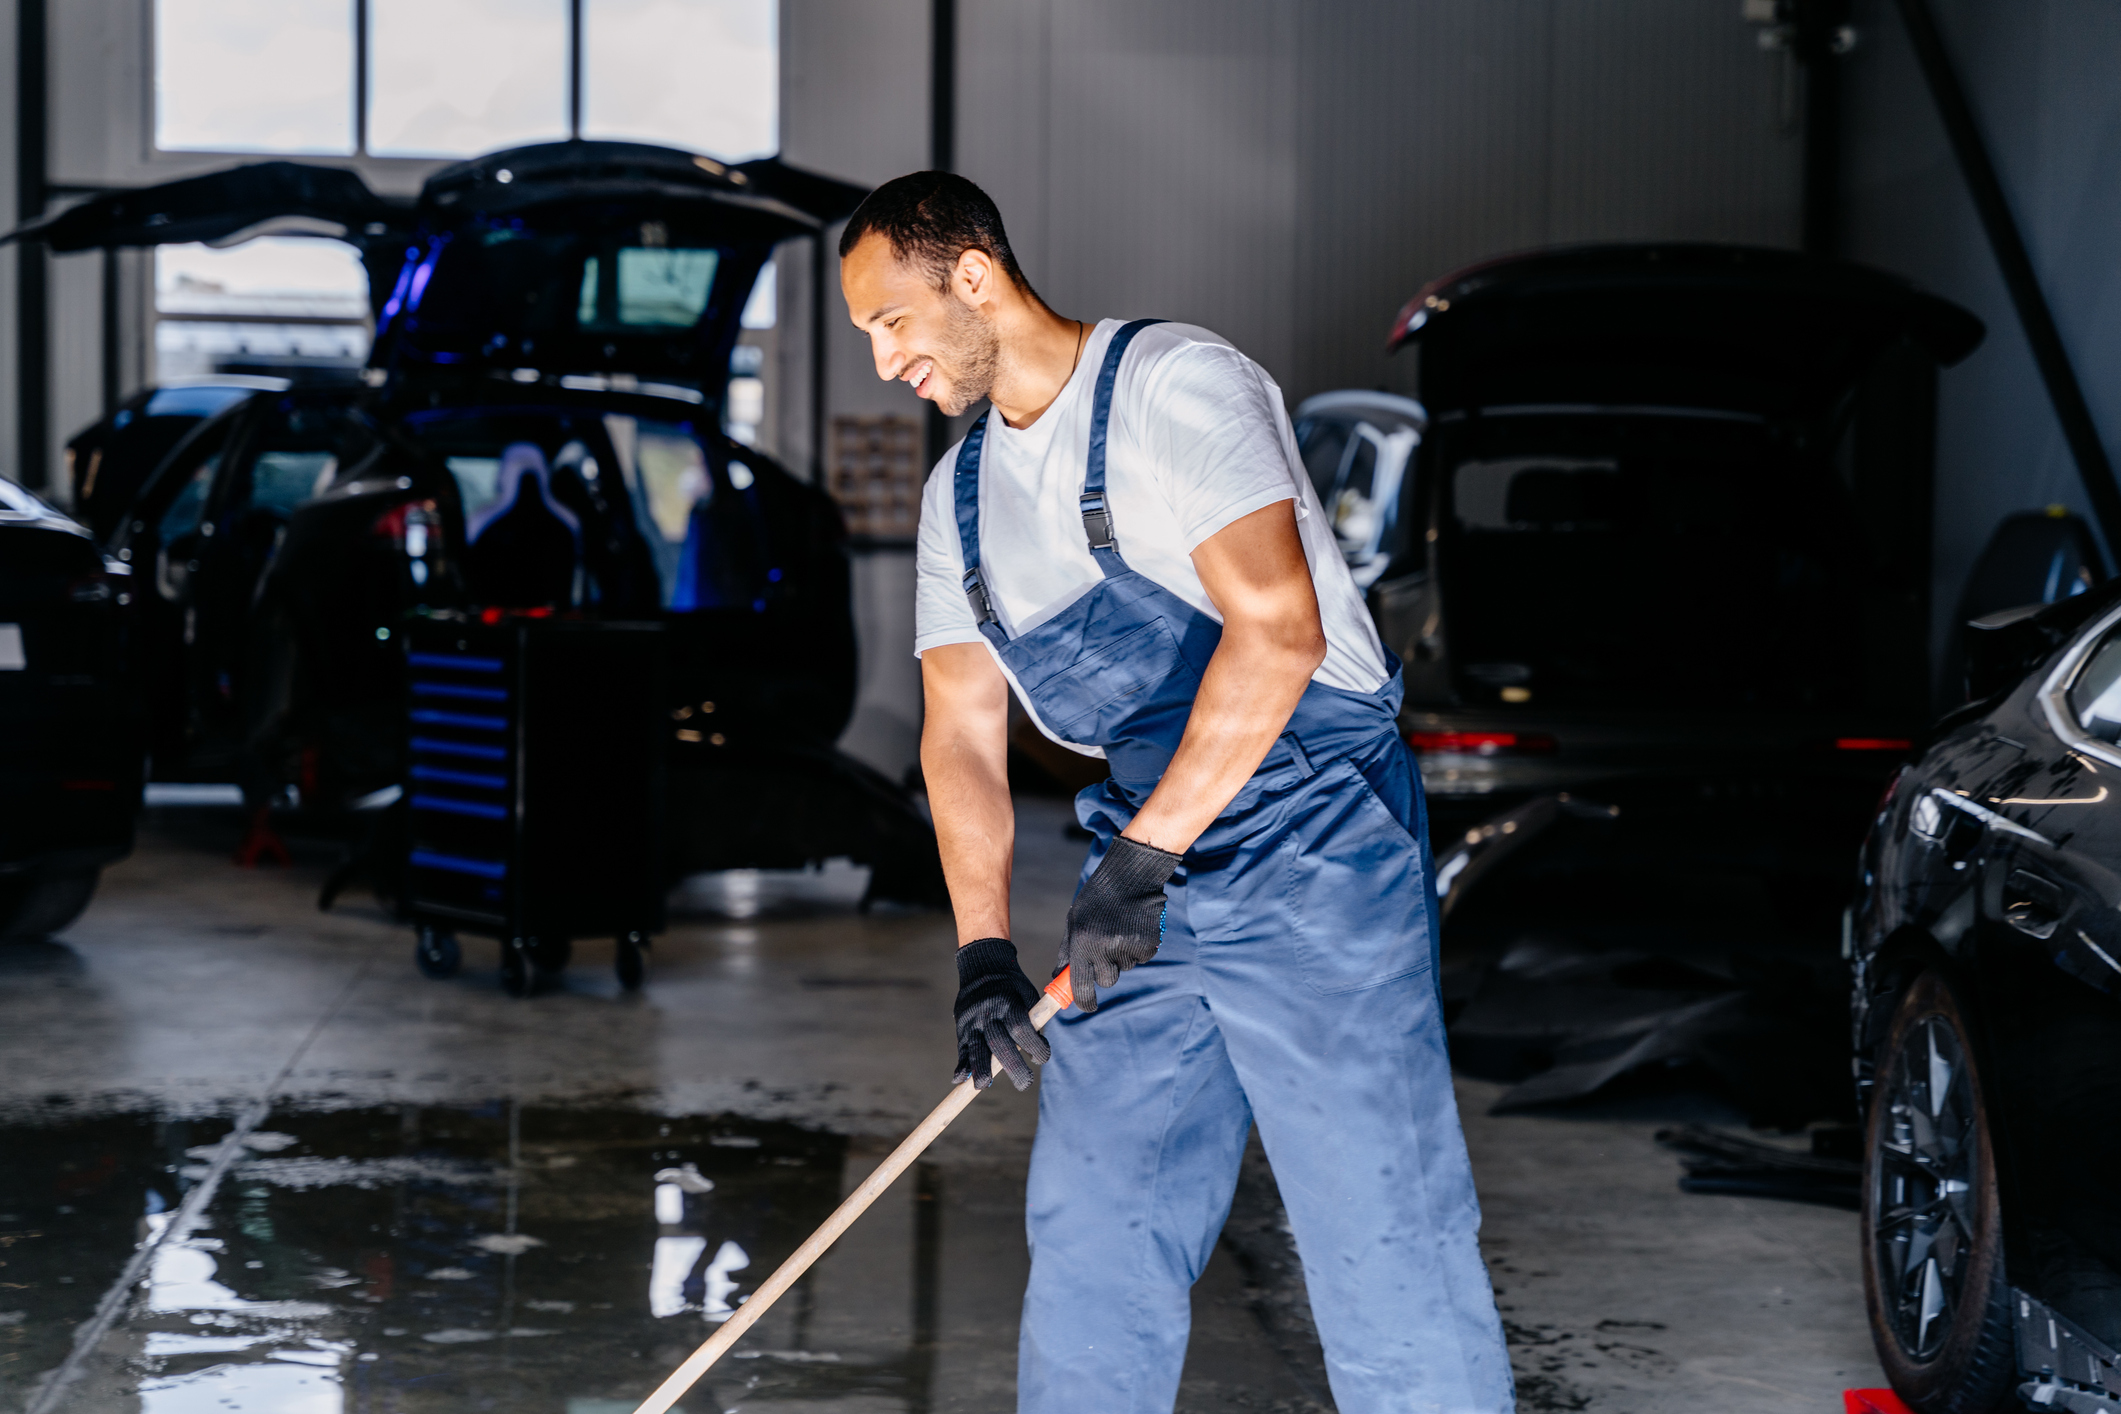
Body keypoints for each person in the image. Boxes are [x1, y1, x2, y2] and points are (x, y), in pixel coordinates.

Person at [838, 171, 1514, 1414]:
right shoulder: (962, 501)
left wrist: (1143, 861)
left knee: (1382, 1235)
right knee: (1097, 1227)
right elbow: (960, 739)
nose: (885, 362)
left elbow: (1278, 634)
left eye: (892, 323)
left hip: (1313, 840)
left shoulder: (1171, 388)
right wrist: (985, 951)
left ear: (972, 280)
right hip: (1141, 868)